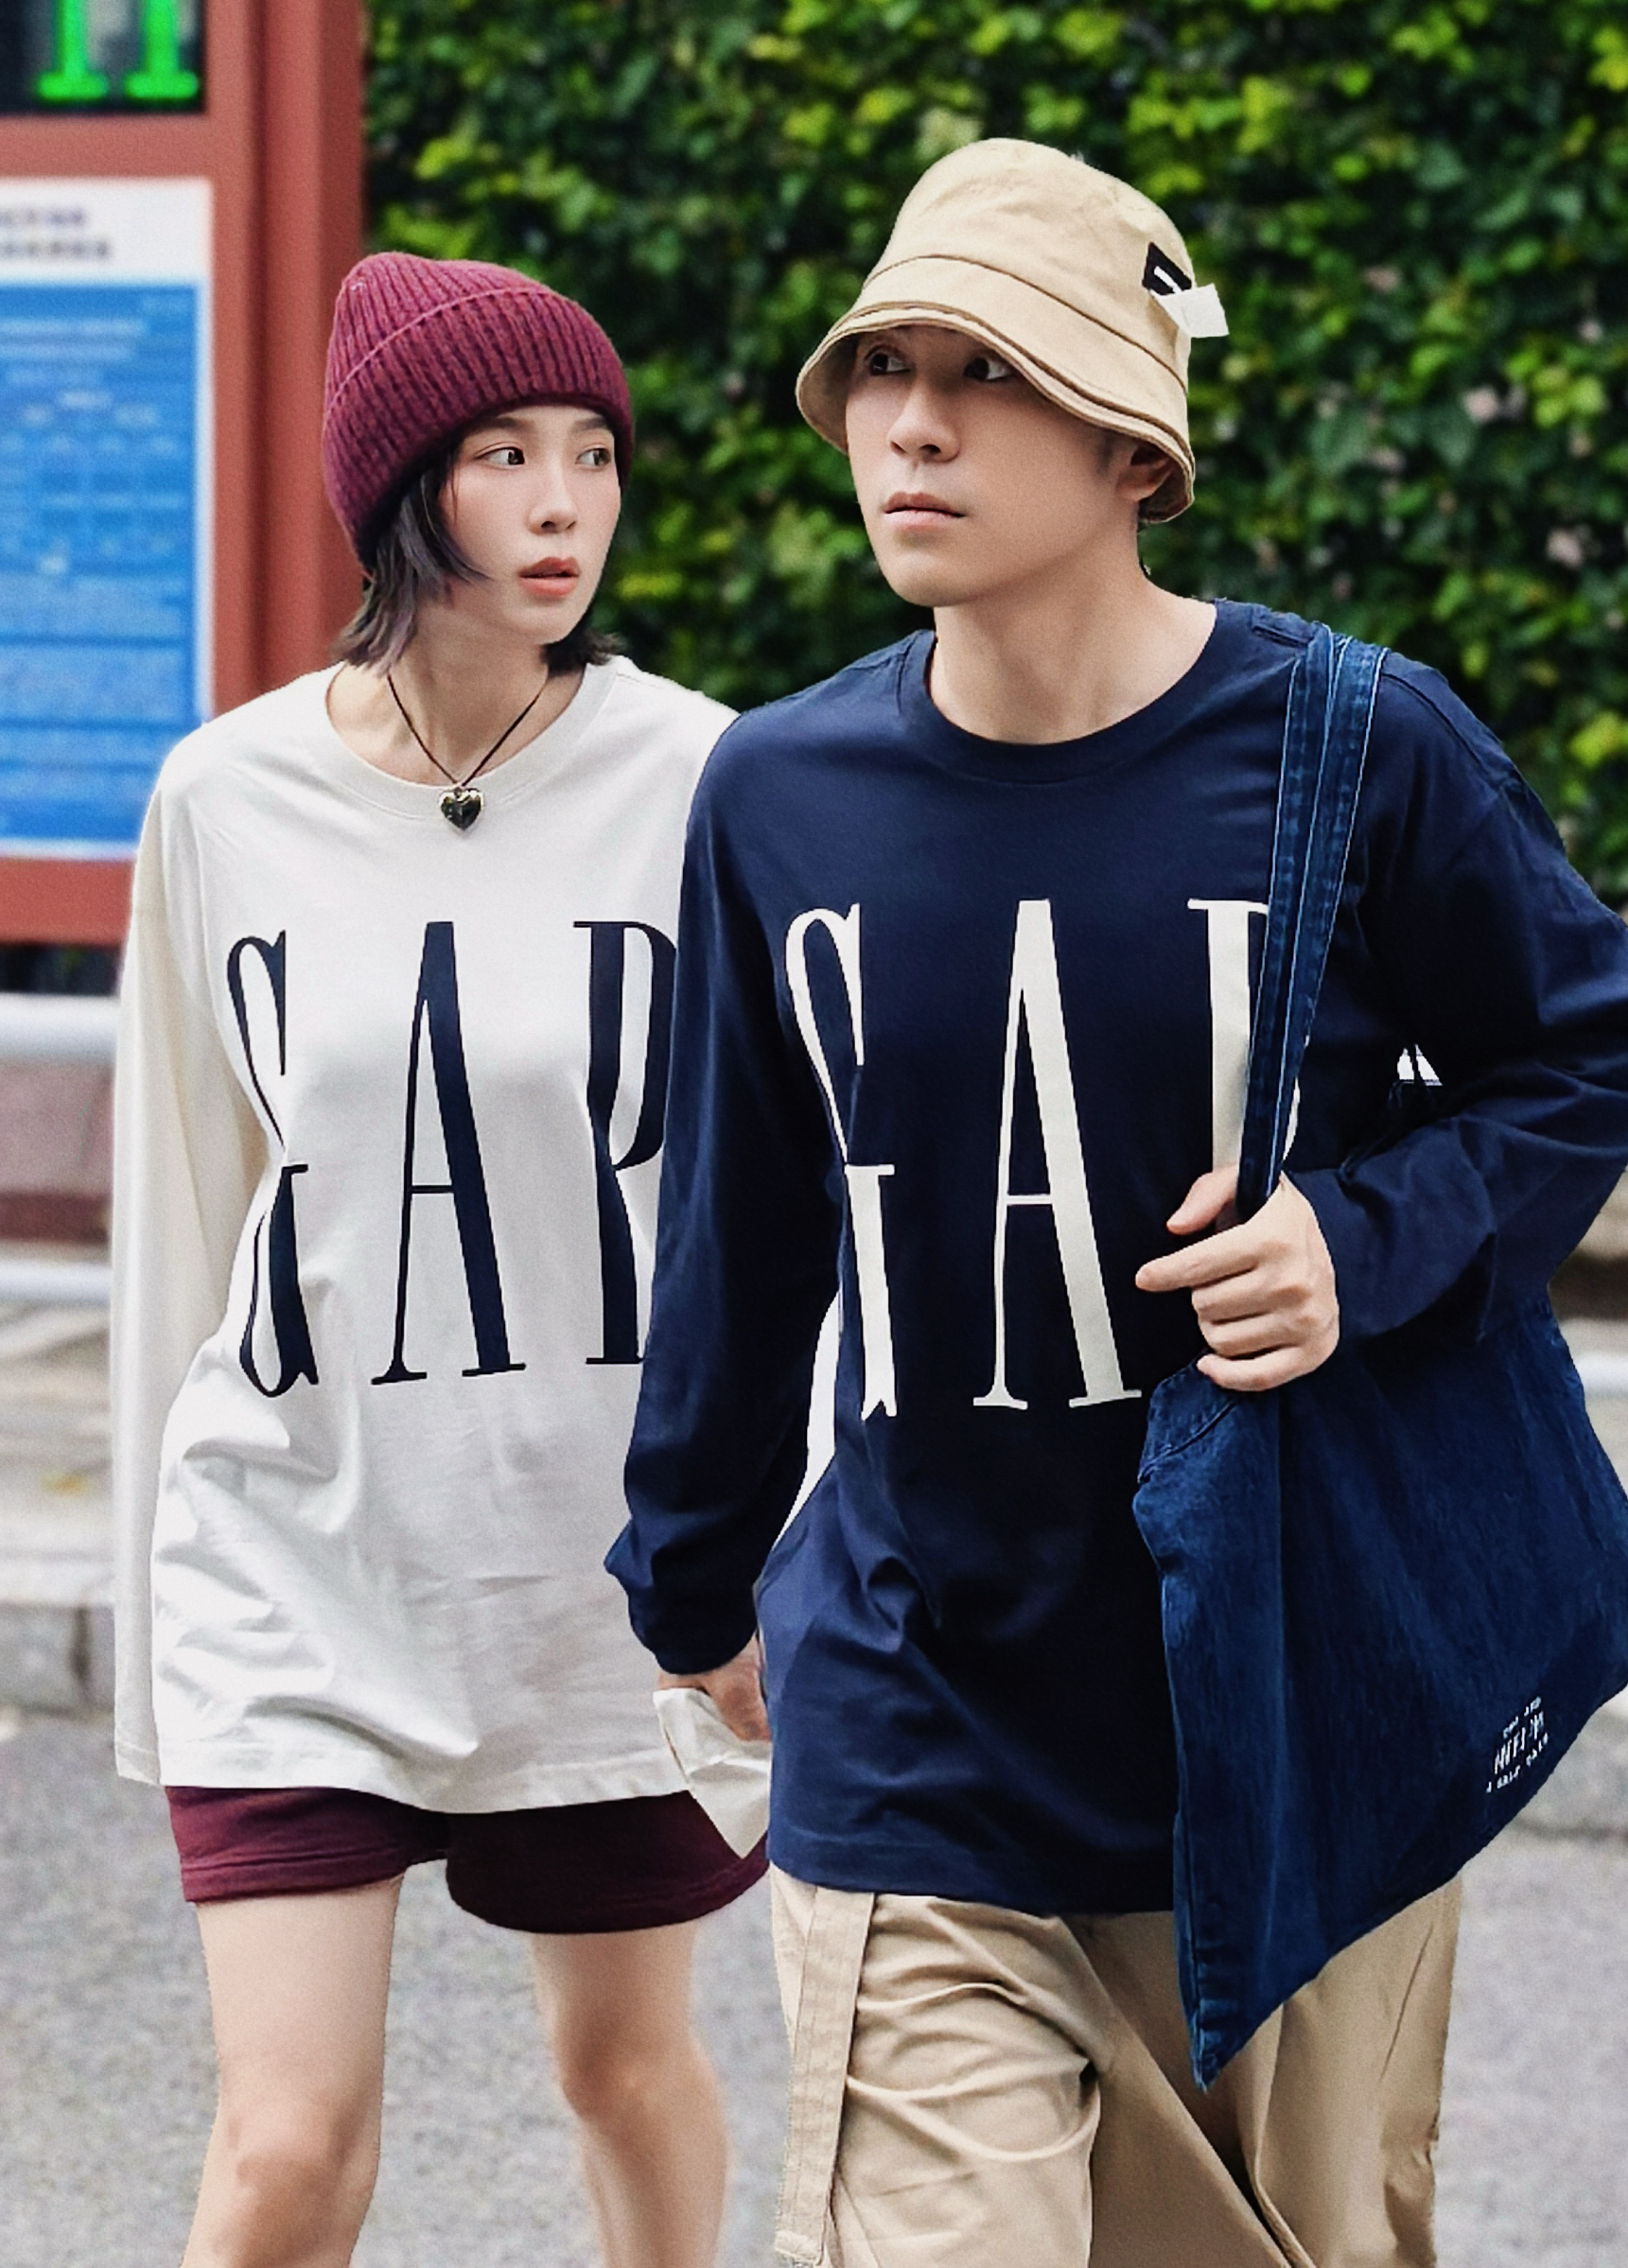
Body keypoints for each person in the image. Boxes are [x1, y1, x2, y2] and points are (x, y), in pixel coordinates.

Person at [606, 139, 1628, 2268]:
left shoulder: (1356, 747)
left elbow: (1590, 1049)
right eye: (882, 367)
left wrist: (1356, 1241)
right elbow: (742, 1221)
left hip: (1293, 1705)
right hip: (915, 1716)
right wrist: (692, 1579)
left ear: (1130, 446)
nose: (908, 424)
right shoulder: (778, 795)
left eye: (982, 372)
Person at [111, 251, 759, 2268]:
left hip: (597, 1564)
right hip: (295, 1557)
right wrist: (154, 1608)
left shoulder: (707, 778)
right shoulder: (226, 796)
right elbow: (188, 1208)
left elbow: (771, 1205)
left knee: (620, 2071)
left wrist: (766, 1537)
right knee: (285, 2146)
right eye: (504, 456)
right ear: (405, 488)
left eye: (593, 455)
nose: (565, 504)